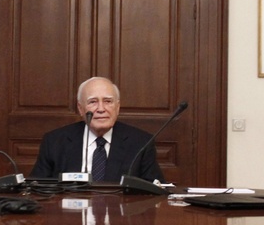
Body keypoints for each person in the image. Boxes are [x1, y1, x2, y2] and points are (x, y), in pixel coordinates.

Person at [30, 77, 164, 183]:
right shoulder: (55, 141)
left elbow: (154, 190)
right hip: (69, 214)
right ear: (81, 108)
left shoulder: (141, 143)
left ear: (117, 107)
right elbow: (37, 186)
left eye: (108, 101)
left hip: (121, 215)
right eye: (93, 102)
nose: (101, 109)